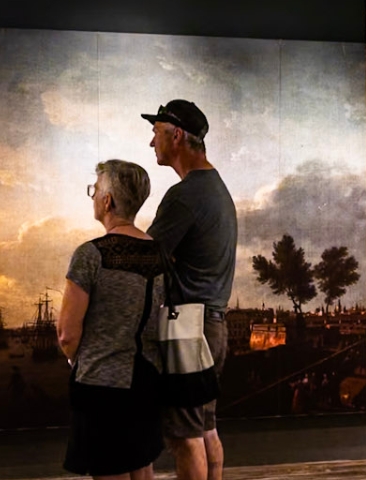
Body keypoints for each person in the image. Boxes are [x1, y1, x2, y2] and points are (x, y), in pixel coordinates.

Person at [142, 99, 236, 480]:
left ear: (176, 135)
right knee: (205, 427)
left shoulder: (184, 195)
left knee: (184, 438)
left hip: (187, 330)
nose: (152, 143)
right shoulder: (216, 188)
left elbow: (145, 259)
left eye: (156, 133)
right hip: (212, 328)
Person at [58, 159, 167, 480]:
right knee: (141, 470)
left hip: (101, 384)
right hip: (148, 379)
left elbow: (67, 334)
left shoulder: (90, 254)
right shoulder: (160, 253)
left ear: (107, 201)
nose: (92, 197)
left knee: (110, 472)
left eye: (95, 190)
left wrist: (78, 359)